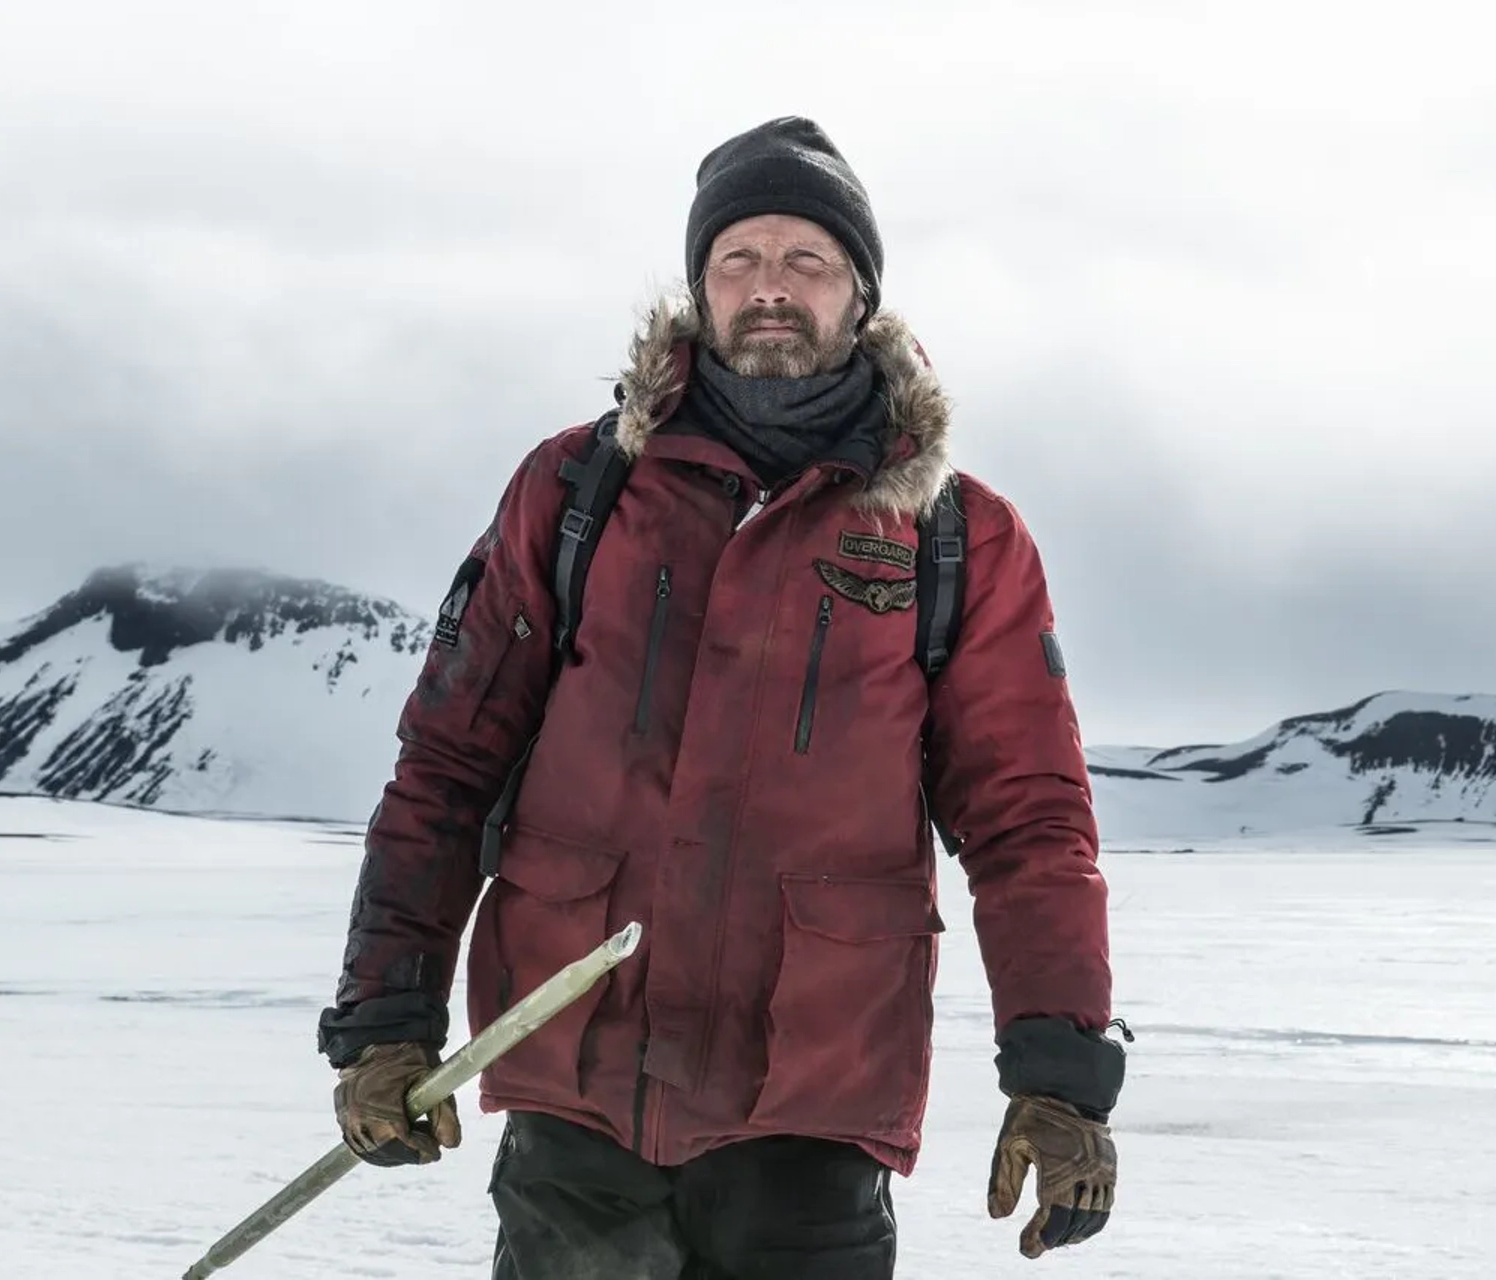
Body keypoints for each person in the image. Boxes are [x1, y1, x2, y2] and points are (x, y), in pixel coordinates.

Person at [316, 116, 1127, 1279]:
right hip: (577, 1098)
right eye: (739, 258)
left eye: (807, 260)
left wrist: (1061, 1076)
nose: (771, 288)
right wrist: (385, 1020)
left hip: (812, 1103)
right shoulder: (577, 489)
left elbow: (1029, 818)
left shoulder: (956, 534)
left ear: (861, 292)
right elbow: (448, 764)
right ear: (700, 287)